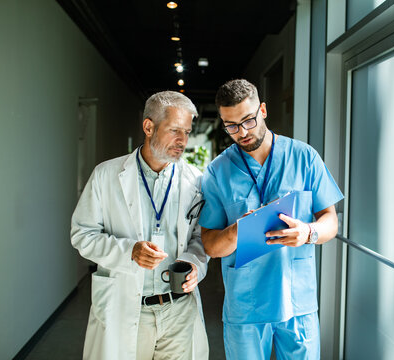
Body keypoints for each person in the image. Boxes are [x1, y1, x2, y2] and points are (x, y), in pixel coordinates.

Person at [199, 79, 344, 359]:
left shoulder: (304, 157)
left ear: (263, 110)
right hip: (246, 306)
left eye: (248, 120)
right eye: (231, 125)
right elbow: (210, 246)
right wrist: (235, 232)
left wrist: (309, 232)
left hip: (297, 302)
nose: (242, 132)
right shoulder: (218, 172)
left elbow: (330, 221)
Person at [71, 91, 209, 360]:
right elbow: (82, 234)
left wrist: (195, 264)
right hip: (126, 305)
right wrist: (129, 251)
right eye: (174, 130)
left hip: (178, 309)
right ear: (149, 127)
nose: (183, 141)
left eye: (187, 132)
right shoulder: (106, 175)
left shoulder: (195, 180)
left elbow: (200, 238)